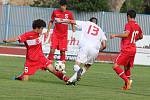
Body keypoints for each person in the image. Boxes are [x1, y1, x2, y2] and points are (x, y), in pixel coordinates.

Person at [3, 19, 69, 82]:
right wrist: (7, 40)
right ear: (37, 28)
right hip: (30, 60)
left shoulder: (40, 33)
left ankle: (67, 79)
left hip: (41, 57)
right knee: (25, 79)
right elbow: (17, 38)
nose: (43, 30)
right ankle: (20, 77)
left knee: (52, 69)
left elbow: (46, 32)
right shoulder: (27, 35)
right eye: (42, 28)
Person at [66, 17, 107, 85]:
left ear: (89, 21)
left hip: (85, 46)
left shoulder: (86, 23)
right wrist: (98, 50)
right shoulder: (100, 30)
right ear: (96, 23)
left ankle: (77, 69)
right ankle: (71, 80)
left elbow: (72, 21)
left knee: (77, 65)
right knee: (87, 66)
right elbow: (104, 45)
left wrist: (60, 21)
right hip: (95, 50)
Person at [110, 10, 143, 90]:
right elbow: (141, 36)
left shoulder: (128, 24)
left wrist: (115, 35)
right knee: (127, 67)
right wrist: (133, 40)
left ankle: (127, 81)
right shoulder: (137, 26)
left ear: (128, 16)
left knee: (115, 66)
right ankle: (126, 86)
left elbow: (126, 34)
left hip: (127, 49)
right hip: (133, 49)